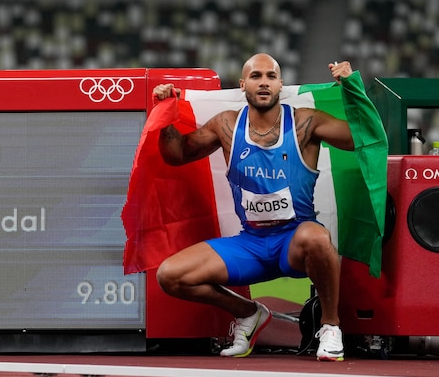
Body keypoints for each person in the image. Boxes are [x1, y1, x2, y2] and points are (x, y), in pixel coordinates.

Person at [152, 53, 355, 361]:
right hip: (252, 244)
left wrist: (351, 87)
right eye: (257, 76)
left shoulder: (305, 122)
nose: (264, 83)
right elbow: (177, 153)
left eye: (271, 76)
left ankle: (330, 326)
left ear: (281, 85)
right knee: (170, 275)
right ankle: (249, 314)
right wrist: (165, 114)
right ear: (243, 84)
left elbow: (359, 138)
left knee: (316, 237)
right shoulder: (226, 125)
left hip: (294, 241)